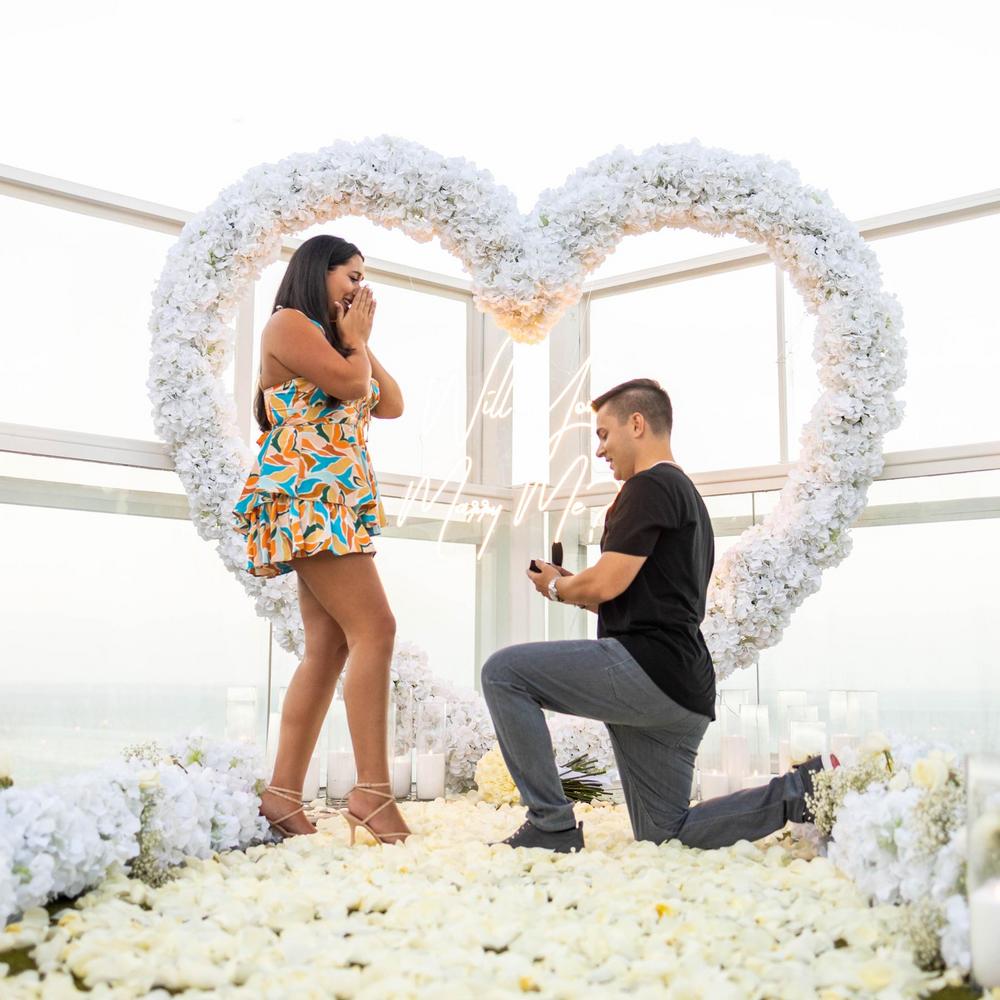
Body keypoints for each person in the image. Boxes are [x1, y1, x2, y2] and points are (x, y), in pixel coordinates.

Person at [482, 378, 835, 852]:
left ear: (637, 424)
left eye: (604, 434)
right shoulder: (685, 495)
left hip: (649, 669)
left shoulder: (648, 486)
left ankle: (551, 825)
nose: (600, 450)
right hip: (682, 689)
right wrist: (572, 586)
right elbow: (631, 597)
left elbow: (606, 583)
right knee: (665, 832)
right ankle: (800, 791)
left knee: (503, 673)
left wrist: (556, 586)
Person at [233, 234, 409, 844]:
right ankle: (373, 792)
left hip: (333, 496)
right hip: (309, 494)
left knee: (329, 647)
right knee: (376, 629)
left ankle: (282, 795)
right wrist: (352, 342)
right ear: (319, 271)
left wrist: (356, 336)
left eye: (363, 277)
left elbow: (392, 404)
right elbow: (353, 387)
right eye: (351, 275)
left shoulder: (337, 338)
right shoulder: (287, 323)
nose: (361, 287)